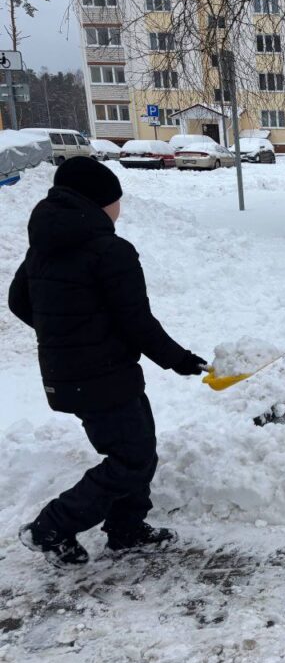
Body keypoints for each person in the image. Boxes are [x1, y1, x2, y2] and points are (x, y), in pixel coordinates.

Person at [8, 157, 207, 568]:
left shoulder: (43, 247)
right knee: (131, 459)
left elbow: (18, 302)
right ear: (99, 201)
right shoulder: (110, 251)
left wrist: (64, 337)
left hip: (75, 373)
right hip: (102, 374)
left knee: (139, 450)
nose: (119, 208)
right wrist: (180, 360)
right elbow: (137, 322)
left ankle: (127, 528)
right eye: (117, 200)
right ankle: (50, 527)